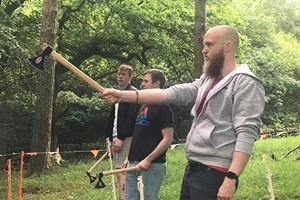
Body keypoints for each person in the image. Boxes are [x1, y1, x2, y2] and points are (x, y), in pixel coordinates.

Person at [101, 25, 265, 200]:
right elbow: (172, 94)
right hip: (193, 169)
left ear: (228, 46)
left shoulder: (245, 82)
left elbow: (246, 133)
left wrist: (231, 178)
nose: (204, 50)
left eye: (209, 45)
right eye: (204, 45)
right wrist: (123, 95)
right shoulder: (208, 79)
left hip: (216, 173)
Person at [123, 69, 174, 200]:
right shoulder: (143, 105)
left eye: (146, 81)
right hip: (133, 163)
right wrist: (129, 157)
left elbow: (168, 139)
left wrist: (148, 159)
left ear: (157, 83)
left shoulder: (163, 107)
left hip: (152, 165)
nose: (142, 84)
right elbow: (139, 134)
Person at [105, 64, 140, 200]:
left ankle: (125, 198)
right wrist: (109, 137)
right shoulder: (117, 95)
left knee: (122, 171)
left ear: (130, 77)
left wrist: (121, 137)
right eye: (119, 74)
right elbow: (113, 118)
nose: (120, 76)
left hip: (126, 137)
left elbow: (132, 118)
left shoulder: (132, 94)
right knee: (118, 170)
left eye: (124, 74)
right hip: (115, 136)